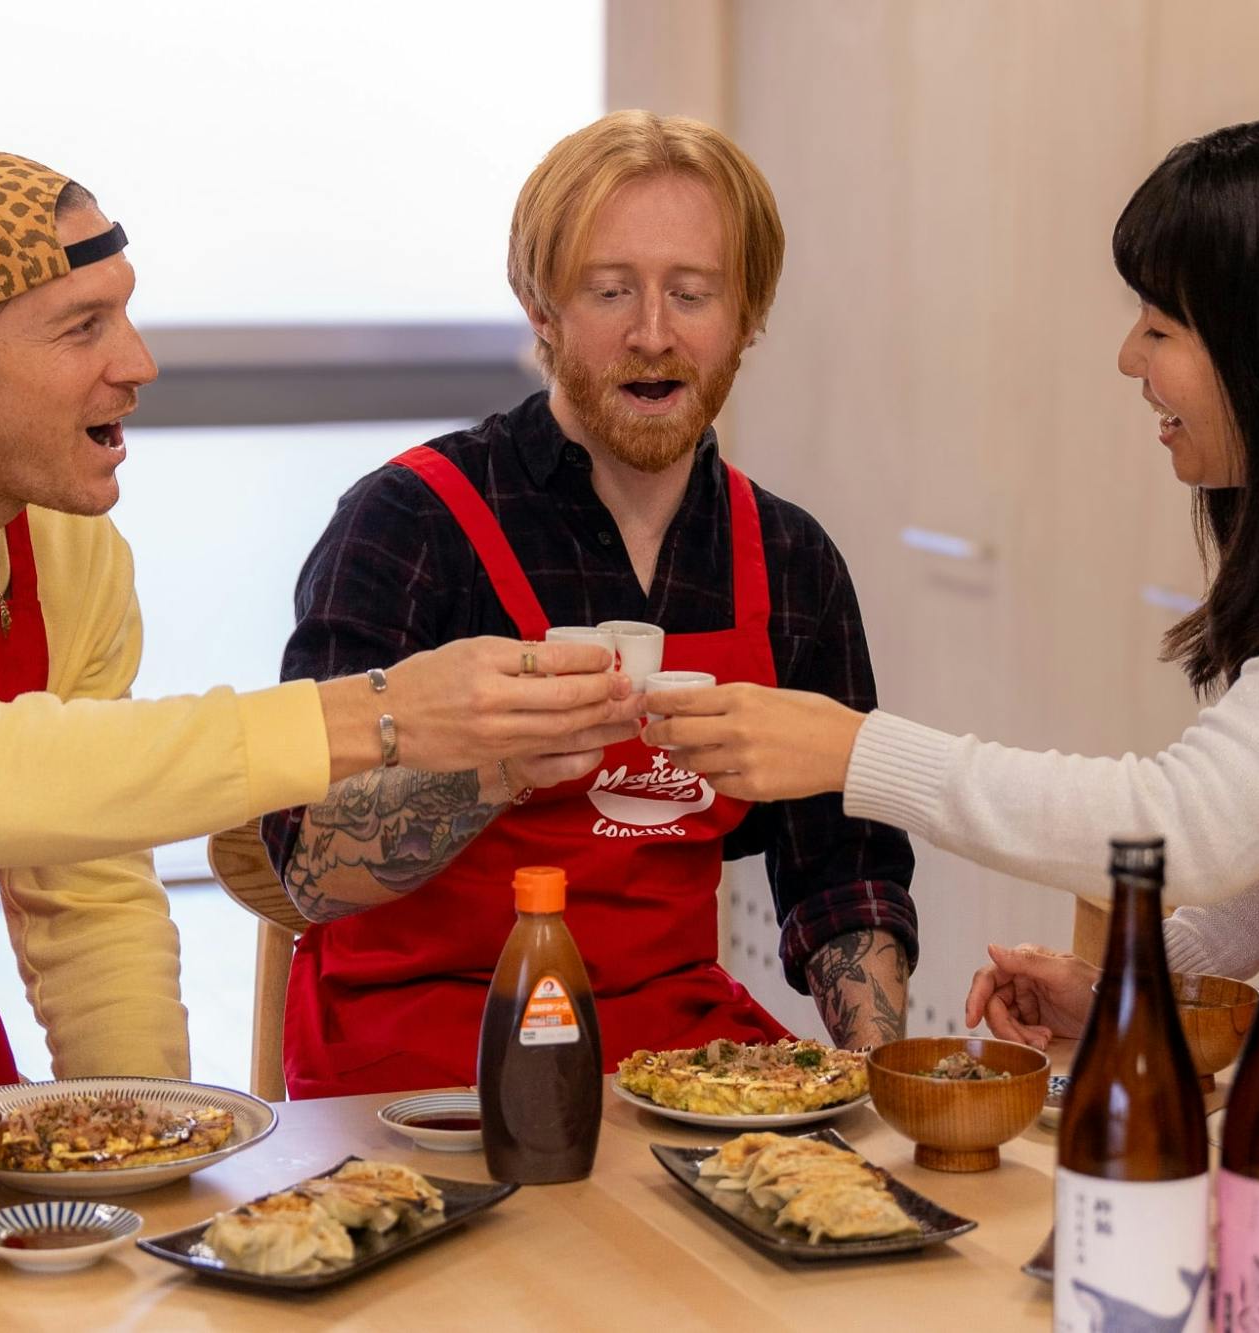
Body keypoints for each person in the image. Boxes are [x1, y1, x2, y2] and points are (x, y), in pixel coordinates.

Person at [644, 110, 1259, 1198]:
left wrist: (856, 751)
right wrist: (1135, 988)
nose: (1127, 357)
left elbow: (1197, 826)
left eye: (1162, 325)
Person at [0, 150, 636, 1154]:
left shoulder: (65, 543)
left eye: (122, 313)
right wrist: (375, 713)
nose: (137, 363)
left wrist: (146, 1127)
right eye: (83, 327)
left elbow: (84, 879)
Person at [262, 111, 917, 1098]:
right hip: (418, 1057)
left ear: (746, 317)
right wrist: (500, 767)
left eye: (691, 294)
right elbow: (307, 866)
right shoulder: (409, 524)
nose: (652, 335)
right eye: (609, 291)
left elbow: (843, 867)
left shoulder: (787, 562)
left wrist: (878, 1080)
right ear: (539, 306)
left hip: (670, 1056)